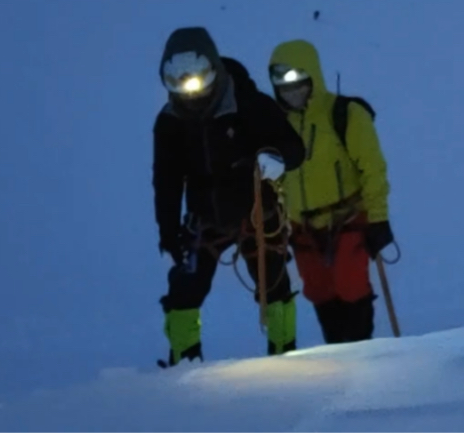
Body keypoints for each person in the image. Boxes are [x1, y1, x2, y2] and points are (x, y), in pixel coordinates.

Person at [153, 27, 306, 366]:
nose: (187, 87)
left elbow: (294, 147)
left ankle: (286, 359)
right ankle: (183, 363)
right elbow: (166, 180)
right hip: (203, 217)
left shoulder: (248, 103)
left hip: (257, 212)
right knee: (183, 291)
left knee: (275, 285)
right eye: (176, 80)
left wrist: (275, 159)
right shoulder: (169, 122)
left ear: (211, 70)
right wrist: (167, 232)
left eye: (192, 77)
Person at [268, 39, 393, 345]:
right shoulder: (275, 125)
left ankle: (361, 351)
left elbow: (373, 169)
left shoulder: (345, 114)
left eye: (299, 84)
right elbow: (274, 177)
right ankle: (338, 352)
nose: (292, 93)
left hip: (347, 219)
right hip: (303, 228)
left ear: (314, 78)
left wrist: (378, 219)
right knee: (319, 292)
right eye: (284, 87)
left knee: (352, 288)